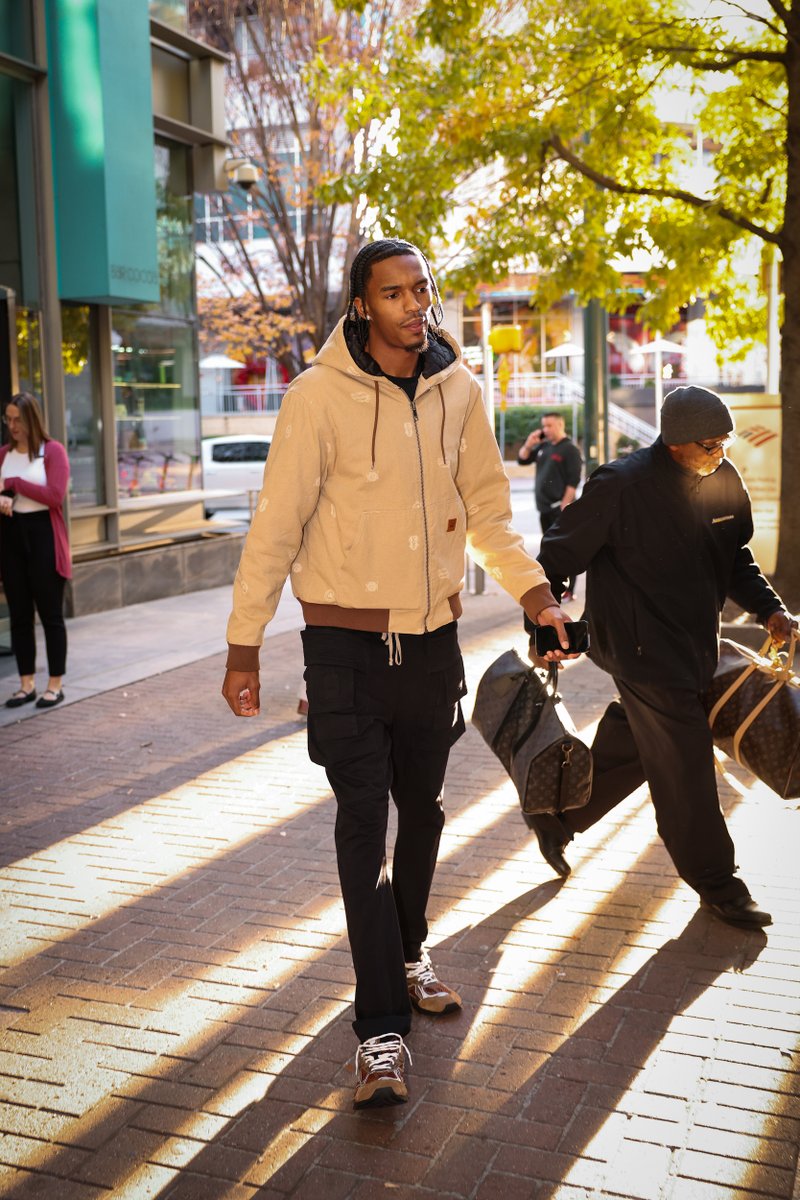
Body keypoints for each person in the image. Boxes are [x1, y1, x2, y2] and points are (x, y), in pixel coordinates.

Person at [221, 238, 572, 1109]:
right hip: (344, 651)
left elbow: (488, 512)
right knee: (361, 825)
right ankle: (379, 1030)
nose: (415, 305)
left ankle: (409, 952)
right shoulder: (315, 397)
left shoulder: (460, 390)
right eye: (394, 293)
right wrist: (243, 643)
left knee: (426, 812)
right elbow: (275, 526)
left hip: (432, 644)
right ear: (360, 305)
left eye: (422, 289)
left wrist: (535, 595)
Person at [525, 385, 797, 929]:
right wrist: (544, 623)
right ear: (675, 443)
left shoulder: (722, 477)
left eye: (725, 442)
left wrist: (770, 608)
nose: (720, 453)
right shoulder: (621, 485)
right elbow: (557, 553)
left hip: (696, 644)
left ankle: (557, 819)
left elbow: (736, 557)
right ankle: (717, 883)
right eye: (709, 445)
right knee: (685, 763)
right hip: (639, 651)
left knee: (637, 745)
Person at [0, 392, 71, 709]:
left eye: (18, 419)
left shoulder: (52, 451)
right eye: (8, 419)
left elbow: (55, 495)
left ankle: (55, 685)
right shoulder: (3, 454)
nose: (12, 425)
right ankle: (26, 684)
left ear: (32, 419)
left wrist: (14, 483)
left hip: (44, 537)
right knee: (19, 615)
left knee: (51, 615)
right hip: (11, 536)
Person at [517, 411, 582, 599]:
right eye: (544, 425)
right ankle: (554, 588)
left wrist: (564, 505)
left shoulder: (570, 449)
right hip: (544, 509)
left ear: (560, 425)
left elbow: (573, 480)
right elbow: (522, 459)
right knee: (549, 550)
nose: (545, 429)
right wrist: (529, 444)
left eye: (549, 425)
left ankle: (569, 590)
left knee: (565, 549)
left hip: (558, 509)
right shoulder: (544, 446)